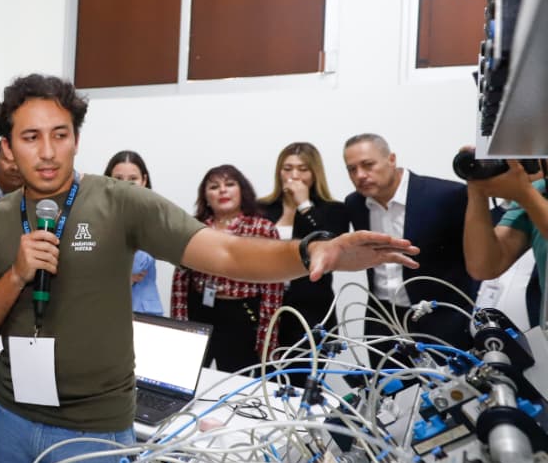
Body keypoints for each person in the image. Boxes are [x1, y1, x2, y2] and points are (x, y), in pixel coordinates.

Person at [0, 74, 418, 463]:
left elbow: (224, 251)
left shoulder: (118, 202)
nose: (48, 151)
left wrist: (310, 249)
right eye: (31, 137)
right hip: (10, 420)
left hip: (92, 429)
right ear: (7, 146)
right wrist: (16, 274)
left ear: (77, 137)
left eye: (61, 134)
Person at [344, 133, 478, 350]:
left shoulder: (447, 195)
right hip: (383, 324)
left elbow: (477, 260)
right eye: (352, 169)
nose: (360, 175)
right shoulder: (355, 204)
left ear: (391, 159)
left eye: (368, 165)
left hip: (443, 322)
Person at [171, 165, 284, 372]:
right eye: (214, 187)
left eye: (230, 184)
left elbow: (273, 288)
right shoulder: (194, 228)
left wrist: (267, 336)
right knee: (189, 376)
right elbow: (180, 280)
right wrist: (178, 324)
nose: (222, 190)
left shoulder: (262, 228)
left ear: (242, 191)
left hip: (242, 316)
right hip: (201, 311)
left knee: (234, 381)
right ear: (205, 197)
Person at [259, 142, 351, 351]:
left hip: (311, 309)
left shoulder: (334, 210)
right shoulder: (262, 208)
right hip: (266, 308)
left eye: (303, 169)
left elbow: (328, 247)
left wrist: (304, 206)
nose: (294, 175)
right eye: (287, 168)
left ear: (315, 173)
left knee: (305, 370)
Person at [461, 152, 548, 327]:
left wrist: (525, 194)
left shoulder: (530, 194)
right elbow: (484, 266)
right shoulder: (539, 190)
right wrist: (477, 187)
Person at [105, 150, 163, 316]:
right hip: (105, 308)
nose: (125, 185)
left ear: (144, 180)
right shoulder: (96, 215)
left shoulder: (153, 214)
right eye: (118, 179)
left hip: (143, 312)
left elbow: (137, 266)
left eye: (133, 179)